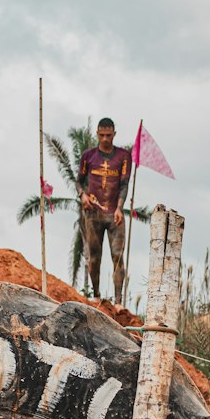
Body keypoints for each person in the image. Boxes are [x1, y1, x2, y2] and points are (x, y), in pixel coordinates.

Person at [77, 118, 132, 304]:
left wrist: (119, 208)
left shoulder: (123, 157)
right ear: (97, 135)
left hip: (114, 214)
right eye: (102, 135)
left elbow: (124, 184)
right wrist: (82, 195)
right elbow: (79, 181)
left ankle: (118, 301)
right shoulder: (88, 156)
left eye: (109, 135)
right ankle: (97, 295)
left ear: (114, 134)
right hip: (93, 213)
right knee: (94, 256)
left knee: (117, 255)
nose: (105, 139)